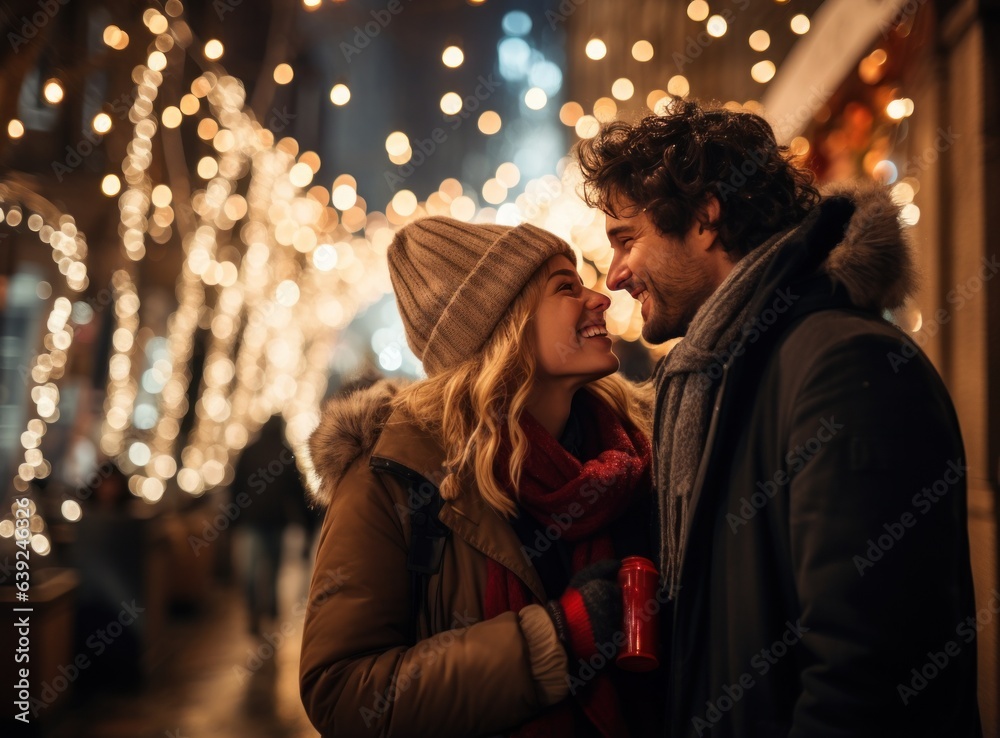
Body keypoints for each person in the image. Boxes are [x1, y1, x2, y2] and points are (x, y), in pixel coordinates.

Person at [575, 99, 981, 737]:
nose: (617, 273)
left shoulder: (843, 367)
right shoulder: (718, 374)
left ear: (706, 216)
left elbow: (867, 677)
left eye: (628, 239)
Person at [299, 217, 661, 736]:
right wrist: (558, 639)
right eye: (566, 287)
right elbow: (342, 692)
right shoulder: (393, 478)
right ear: (505, 327)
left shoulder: (635, 447)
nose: (600, 297)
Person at [231, 414, 310, 635]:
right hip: (276, 522)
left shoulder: (250, 451)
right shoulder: (286, 454)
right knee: (273, 571)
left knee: (250, 571)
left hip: (252, 521)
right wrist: (305, 524)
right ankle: (272, 612)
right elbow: (298, 493)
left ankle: (254, 609)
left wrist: (232, 520)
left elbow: (236, 487)